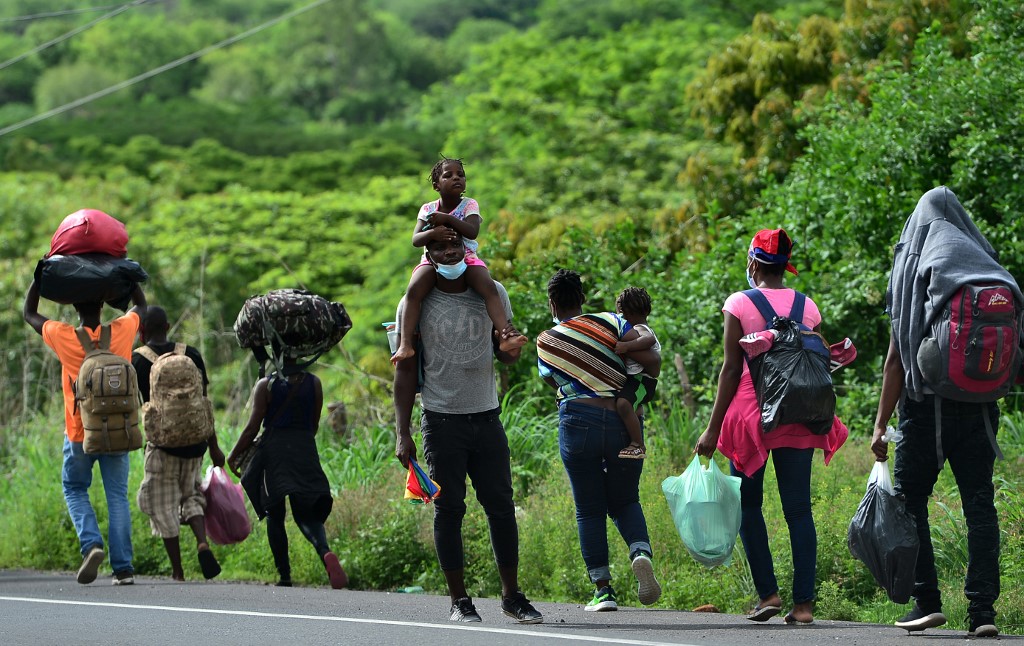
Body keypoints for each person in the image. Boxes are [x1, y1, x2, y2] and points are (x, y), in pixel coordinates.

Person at [871, 187, 1015, 638]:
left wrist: (880, 424)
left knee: (911, 500)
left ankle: (926, 601)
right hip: (982, 408)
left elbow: (897, 358)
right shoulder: (986, 264)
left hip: (926, 404)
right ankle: (983, 613)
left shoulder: (917, 266)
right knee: (979, 503)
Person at [694, 228, 848, 625]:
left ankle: (768, 595)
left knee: (749, 504)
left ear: (753, 263)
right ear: (784, 267)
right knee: (799, 510)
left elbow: (731, 369)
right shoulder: (807, 305)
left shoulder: (739, 303)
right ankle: (804, 606)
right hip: (799, 412)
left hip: (752, 417)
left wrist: (712, 430)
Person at [393, 231, 543, 625]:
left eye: (454, 245)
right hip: (441, 420)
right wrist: (402, 431)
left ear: (466, 249)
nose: (448, 252)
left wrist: (512, 350)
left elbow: (505, 357)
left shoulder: (492, 291)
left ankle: (512, 596)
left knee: (500, 507)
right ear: (428, 253)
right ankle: (460, 601)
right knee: (448, 510)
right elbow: (405, 371)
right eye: (439, 247)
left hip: (487, 416)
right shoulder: (414, 302)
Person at [536, 269, 662, 612]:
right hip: (624, 418)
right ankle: (639, 552)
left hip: (578, 421)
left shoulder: (546, 340)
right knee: (625, 500)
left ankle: (603, 591)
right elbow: (651, 364)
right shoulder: (611, 321)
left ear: (552, 303)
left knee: (589, 509)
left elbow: (555, 383)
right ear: (583, 299)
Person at [23, 279, 147, 586]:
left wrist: (40, 279)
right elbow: (142, 307)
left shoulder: (64, 336)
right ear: (103, 305)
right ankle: (124, 569)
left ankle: (91, 544)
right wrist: (128, 278)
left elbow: (29, 313)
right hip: (119, 430)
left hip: (80, 432)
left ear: (73, 306)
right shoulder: (121, 330)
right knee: (117, 496)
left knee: (75, 488)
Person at [227, 350, 347, 590]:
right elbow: (312, 424)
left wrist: (233, 456)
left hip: (275, 452)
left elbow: (252, 428)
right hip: (304, 449)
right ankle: (324, 552)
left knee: (275, 513)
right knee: (306, 514)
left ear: (275, 354)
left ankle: (285, 576)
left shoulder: (266, 385)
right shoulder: (314, 383)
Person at [391, 156, 527, 364]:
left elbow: (472, 232)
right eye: (449, 175)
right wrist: (434, 233)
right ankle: (406, 344)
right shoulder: (428, 209)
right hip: (433, 260)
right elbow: (416, 240)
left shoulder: (469, 205)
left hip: (466, 257)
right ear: (437, 185)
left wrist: (447, 219)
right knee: (413, 290)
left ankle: (506, 336)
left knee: (489, 287)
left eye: (460, 175)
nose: (456, 178)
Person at [132, 306, 225, 582]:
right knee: (192, 495)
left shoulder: (138, 361)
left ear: (141, 332)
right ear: (169, 326)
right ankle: (201, 542)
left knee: (163, 505)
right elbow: (204, 405)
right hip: (196, 443)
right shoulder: (191, 354)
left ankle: (178, 570)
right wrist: (214, 446)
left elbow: (138, 406)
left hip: (162, 447)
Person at [612, 287, 660, 460]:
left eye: (621, 315)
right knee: (629, 405)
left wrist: (626, 346)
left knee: (623, 404)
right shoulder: (636, 326)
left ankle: (638, 444)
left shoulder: (640, 328)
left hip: (643, 380)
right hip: (637, 379)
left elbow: (649, 339)